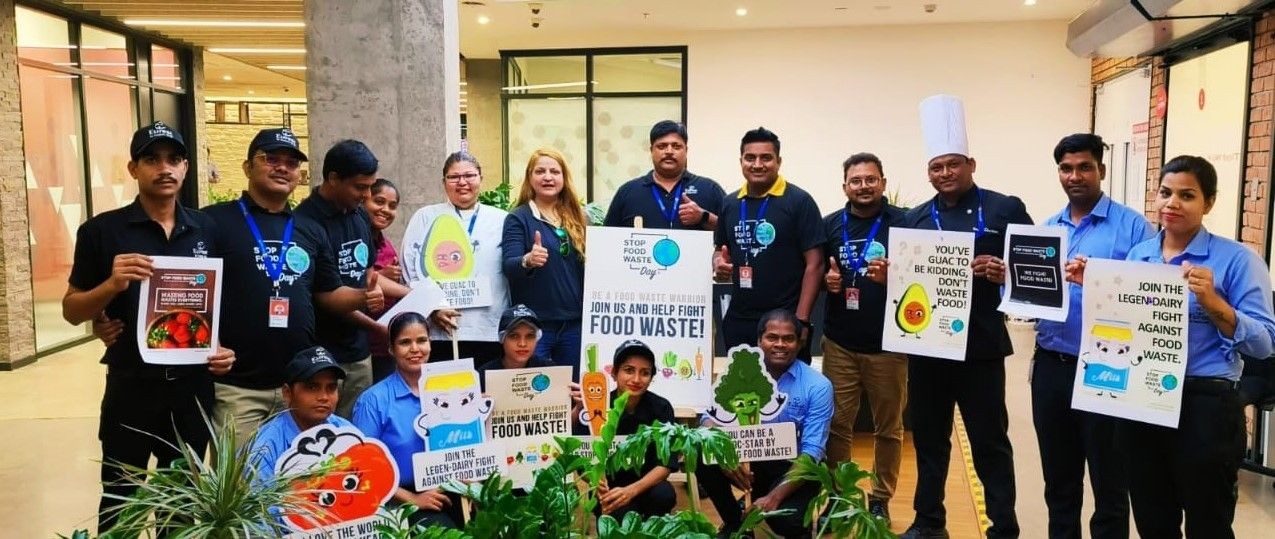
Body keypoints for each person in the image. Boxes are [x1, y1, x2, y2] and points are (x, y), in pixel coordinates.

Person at [1066, 155, 1275, 539]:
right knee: (1152, 518)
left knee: (1207, 521)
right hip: (1141, 402)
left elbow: (1264, 344)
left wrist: (1216, 305)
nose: (1172, 203)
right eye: (1165, 193)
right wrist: (1093, 286)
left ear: (1209, 202)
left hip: (1205, 405)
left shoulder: (1238, 260)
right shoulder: (1139, 257)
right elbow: (1122, 328)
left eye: (1187, 195)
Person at [62, 122, 236, 534]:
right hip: (131, 386)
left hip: (191, 388)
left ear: (186, 168)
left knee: (181, 501)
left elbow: (217, 308)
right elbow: (71, 310)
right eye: (151, 159)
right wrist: (111, 284)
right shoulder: (102, 231)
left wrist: (222, 348)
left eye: (174, 159)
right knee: (121, 496)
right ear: (132, 168)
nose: (164, 168)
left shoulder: (207, 229)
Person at [873, 95, 1031, 539]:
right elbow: (907, 285)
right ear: (929, 172)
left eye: (953, 165)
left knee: (990, 442)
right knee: (929, 440)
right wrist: (890, 278)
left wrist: (1005, 274)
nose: (945, 174)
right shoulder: (915, 218)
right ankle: (929, 521)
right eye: (937, 167)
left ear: (971, 163)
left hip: (981, 347)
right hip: (928, 349)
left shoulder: (1005, 209)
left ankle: (1004, 527)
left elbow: (1038, 273)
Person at [203, 128, 381, 444]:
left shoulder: (307, 227)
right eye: (271, 159)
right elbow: (191, 288)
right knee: (244, 485)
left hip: (299, 387)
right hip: (238, 387)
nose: (283, 168)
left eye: (291, 163)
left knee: (302, 481)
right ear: (247, 167)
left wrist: (362, 295)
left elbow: (327, 294)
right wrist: (208, 341)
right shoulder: (214, 221)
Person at [1032, 134, 1146, 539]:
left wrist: (1095, 275)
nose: (1074, 176)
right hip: (1051, 366)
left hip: (1107, 366)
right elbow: (1032, 297)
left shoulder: (1133, 228)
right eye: (1066, 168)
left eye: (1084, 167)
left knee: (1110, 482)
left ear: (1102, 169)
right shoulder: (1046, 230)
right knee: (1059, 482)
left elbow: (1145, 295)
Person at [819, 152, 908, 524]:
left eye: (871, 179)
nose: (864, 186)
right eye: (856, 181)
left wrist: (897, 279)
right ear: (845, 187)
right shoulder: (829, 226)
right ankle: (840, 497)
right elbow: (818, 268)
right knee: (837, 424)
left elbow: (923, 277)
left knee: (888, 428)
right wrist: (829, 281)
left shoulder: (905, 223)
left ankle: (880, 499)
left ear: (883, 183)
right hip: (840, 343)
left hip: (889, 344)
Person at [699, 309, 833, 538]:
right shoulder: (737, 374)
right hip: (749, 464)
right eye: (772, 337)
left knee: (787, 523)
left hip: (795, 471)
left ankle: (772, 504)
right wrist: (723, 456)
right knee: (701, 449)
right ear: (759, 340)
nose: (780, 344)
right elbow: (707, 422)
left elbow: (812, 453)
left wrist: (774, 498)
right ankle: (735, 523)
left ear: (799, 343)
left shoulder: (818, 386)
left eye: (788, 339)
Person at [294, 139, 387, 418]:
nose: (367, 195)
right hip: (321, 356)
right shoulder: (305, 223)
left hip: (359, 353)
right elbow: (325, 297)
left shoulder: (358, 214)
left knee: (356, 435)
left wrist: (411, 292)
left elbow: (367, 272)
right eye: (360, 187)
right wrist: (375, 319)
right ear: (333, 178)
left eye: (371, 185)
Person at [713, 127, 822, 358]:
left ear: (779, 161)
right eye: (750, 158)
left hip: (785, 322)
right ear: (741, 161)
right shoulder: (730, 203)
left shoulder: (799, 201)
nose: (757, 164)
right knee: (743, 390)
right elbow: (719, 250)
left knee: (789, 391)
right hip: (740, 319)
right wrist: (718, 263)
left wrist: (801, 319)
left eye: (766, 158)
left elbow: (815, 264)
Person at [352, 312, 464, 529]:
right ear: (391, 349)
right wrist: (412, 499)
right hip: (400, 499)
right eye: (405, 342)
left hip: (452, 488)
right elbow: (362, 468)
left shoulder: (452, 390)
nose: (415, 349)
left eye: (421, 340)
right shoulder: (373, 400)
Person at [401, 151, 511, 363]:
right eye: (453, 177)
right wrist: (431, 307)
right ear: (444, 182)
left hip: (489, 329)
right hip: (439, 331)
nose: (462, 182)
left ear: (480, 178)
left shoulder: (502, 219)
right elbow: (409, 270)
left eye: (469, 175)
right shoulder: (425, 216)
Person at [569, 340, 678, 522]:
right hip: (610, 489)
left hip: (646, 487)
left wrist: (631, 490)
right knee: (620, 516)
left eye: (645, 373)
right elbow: (583, 460)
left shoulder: (661, 408)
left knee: (664, 494)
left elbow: (665, 464)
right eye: (628, 370)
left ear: (651, 378)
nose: (636, 379)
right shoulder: (595, 406)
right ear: (613, 373)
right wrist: (598, 484)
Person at [501, 149, 587, 376]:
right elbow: (509, 265)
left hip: (575, 327)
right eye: (540, 171)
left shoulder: (579, 218)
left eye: (554, 171)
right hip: (535, 329)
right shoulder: (518, 218)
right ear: (530, 178)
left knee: (572, 392)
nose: (547, 177)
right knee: (539, 395)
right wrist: (527, 260)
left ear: (564, 178)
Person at [249, 346, 353, 485]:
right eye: (312, 387)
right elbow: (257, 504)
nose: (323, 397)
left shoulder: (345, 430)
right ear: (287, 393)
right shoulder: (265, 446)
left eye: (331, 388)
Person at [604, 120, 726, 230]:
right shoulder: (628, 192)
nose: (669, 151)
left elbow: (734, 233)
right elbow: (607, 239)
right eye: (662, 146)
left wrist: (704, 217)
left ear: (686, 151)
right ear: (651, 151)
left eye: (676, 146)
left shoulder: (710, 189)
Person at [365, 178, 402, 381]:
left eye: (392, 206)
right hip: (361, 344)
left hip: (385, 344)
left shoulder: (386, 243)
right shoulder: (355, 238)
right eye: (379, 201)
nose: (385, 210)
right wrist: (381, 277)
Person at [476, 304, 555, 390]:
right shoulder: (483, 376)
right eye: (514, 336)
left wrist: (571, 399)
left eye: (530, 336)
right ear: (502, 339)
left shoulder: (550, 370)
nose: (522, 344)